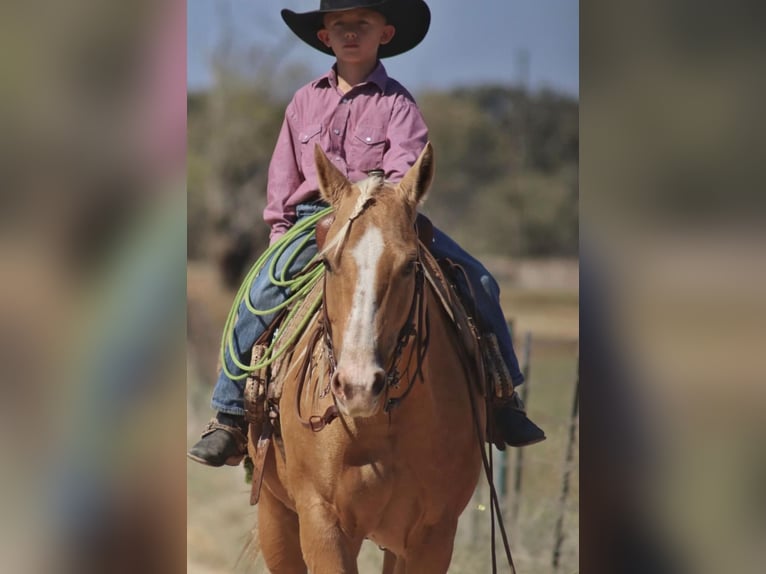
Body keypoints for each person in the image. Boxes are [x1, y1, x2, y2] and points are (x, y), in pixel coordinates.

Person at [188, 0, 545, 467]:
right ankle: (231, 416)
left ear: (385, 34)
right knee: (257, 294)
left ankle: (501, 398)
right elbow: (282, 177)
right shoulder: (303, 101)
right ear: (324, 37)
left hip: (387, 214)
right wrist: (279, 234)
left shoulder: (398, 104)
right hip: (316, 219)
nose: (350, 33)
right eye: (339, 25)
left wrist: (381, 205)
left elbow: (407, 172)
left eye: (362, 24)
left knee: (478, 280)